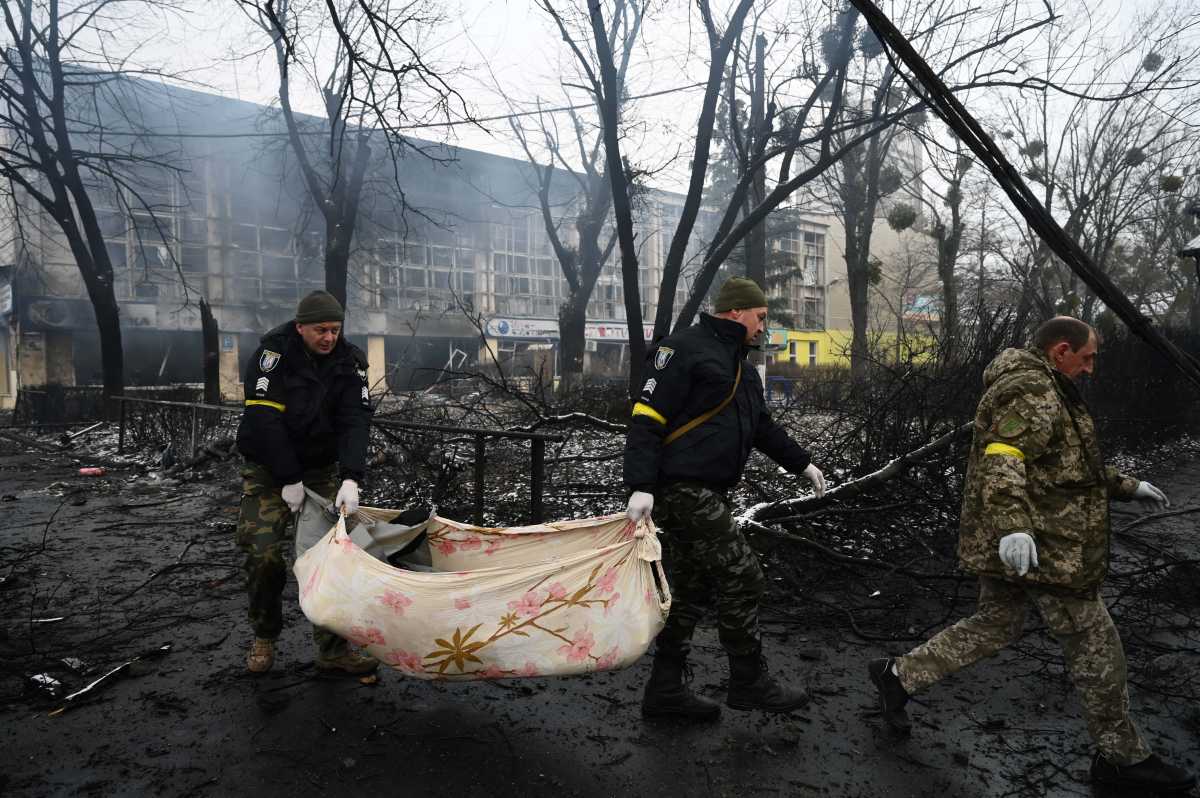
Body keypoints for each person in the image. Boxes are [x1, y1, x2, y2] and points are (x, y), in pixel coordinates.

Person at [868, 316, 1195, 794]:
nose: (1091, 369)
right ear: (1061, 350)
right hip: (1042, 547)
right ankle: (1122, 759)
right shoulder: (1032, 390)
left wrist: (1126, 486)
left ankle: (898, 677)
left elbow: (1068, 462)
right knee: (1096, 645)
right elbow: (1004, 454)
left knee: (996, 623)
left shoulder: (1048, 387)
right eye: (1087, 358)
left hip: (1025, 543)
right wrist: (1014, 527)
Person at [624, 276, 826, 721]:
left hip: (708, 490)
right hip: (680, 488)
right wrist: (640, 483)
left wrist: (803, 464)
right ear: (736, 312)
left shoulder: (742, 367)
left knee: (692, 588)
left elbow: (762, 429)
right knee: (744, 576)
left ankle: (665, 690)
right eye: (760, 317)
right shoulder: (682, 350)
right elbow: (646, 417)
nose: (762, 327)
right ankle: (749, 681)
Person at [235, 290, 378, 676]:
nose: (329, 337)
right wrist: (287, 478)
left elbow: (355, 421)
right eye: (320, 330)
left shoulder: (350, 362)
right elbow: (264, 421)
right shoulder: (273, 358)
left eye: (335, 329)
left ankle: (333, 650)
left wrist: (351, 477)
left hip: (320, 471)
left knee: (331, 560)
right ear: (300, 327)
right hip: (269, 472)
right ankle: (264, 637)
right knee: (263, 557)